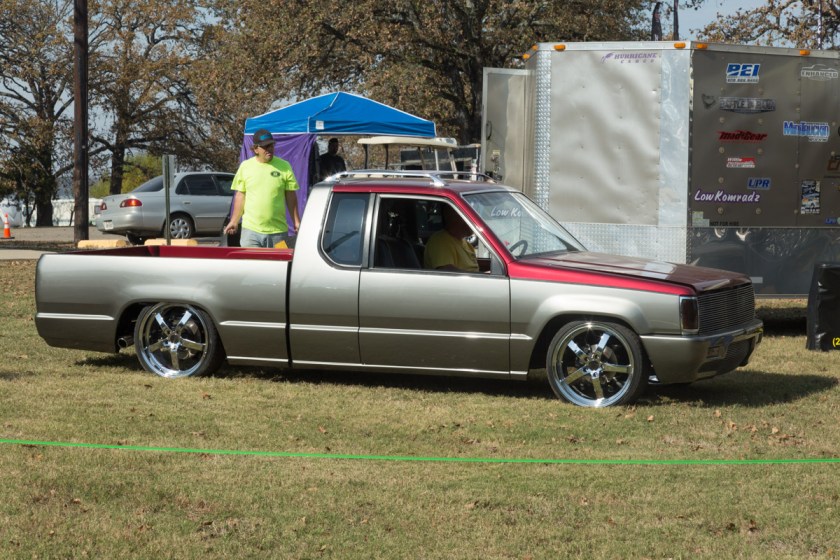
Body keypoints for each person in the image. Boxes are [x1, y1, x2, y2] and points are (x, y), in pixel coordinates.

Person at [223, 129, 301, 248]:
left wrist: (296, 221)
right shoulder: (245, 167)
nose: (269, 149)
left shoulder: (285, 166)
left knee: (278, 261)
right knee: (251, 261)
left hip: (278, 232)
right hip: (250, 232)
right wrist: (234, 221)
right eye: (265, 146)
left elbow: (291, 196)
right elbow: (240, 196)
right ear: (256, 149)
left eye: (271, 145)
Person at [423, 204, 479, 272]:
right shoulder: (441, 241)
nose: (472, 221)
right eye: (467, 215)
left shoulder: (467, 244)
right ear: (453, 216)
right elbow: (447, 272)